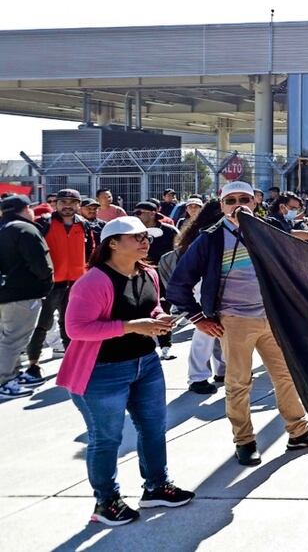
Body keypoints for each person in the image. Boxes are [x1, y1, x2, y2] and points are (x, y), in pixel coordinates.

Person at [167, 181, 308, 466]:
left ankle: (298, 432)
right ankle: (244, 441)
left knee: (286, 376)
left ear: (255, 203)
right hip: (234, 320)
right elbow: (179, 284)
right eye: (231, 200)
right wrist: (199, 318)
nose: (238, 204)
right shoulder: (209, 239)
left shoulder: (268, 232)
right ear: (222, 206)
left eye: (245, 199)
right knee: (238, 382)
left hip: (271, 317)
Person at [57, 216, 195, 525]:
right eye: (136, 237)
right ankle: (106, 501)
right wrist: (133, 326)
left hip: (145, 364)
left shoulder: (148, 272)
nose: (145, 241)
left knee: (154, 428)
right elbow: (76, 328)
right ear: (113, 244)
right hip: (101, 371)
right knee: (107, 438)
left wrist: (158, 318)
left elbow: (152, 306)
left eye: (146, 236)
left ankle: (157, 486)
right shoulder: (92, 281)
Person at [25, 188, 96, 380]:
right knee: (43, 324)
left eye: (72, 202)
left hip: (76, 283)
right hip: (50, 283)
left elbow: (91, 252)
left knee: (71, 324)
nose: (67, 206)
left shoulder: (84, 225)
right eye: (63, 201)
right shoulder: (44, 223)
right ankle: (33, 364)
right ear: (55, 203)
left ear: (78, 205)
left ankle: (72, 362)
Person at [170, 200, 227, 396]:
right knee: (206, 332)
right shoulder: (206, 234)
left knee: (220, 332)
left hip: (215, 286)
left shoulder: (212, 231)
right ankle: (198, 377)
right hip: (204, 286)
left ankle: (221, 370)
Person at [0, 195, 54, 400]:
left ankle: (11, 375)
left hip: (5, 292)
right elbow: (40, 264)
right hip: (22, 293)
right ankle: (5, 381)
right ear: (25, 209)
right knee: (14, 340)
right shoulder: (25, 229)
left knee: (5, 339)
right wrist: (46, 283)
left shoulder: (3, 228)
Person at [134, 201, 180, 361]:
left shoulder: (169, 231)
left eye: (140, 213)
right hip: (139, 276)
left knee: (163, 310)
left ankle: (165, 346)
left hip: (163, 277)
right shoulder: (133, 232)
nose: (136, 216)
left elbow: (179, 252)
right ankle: (141, 347)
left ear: (152, 213)